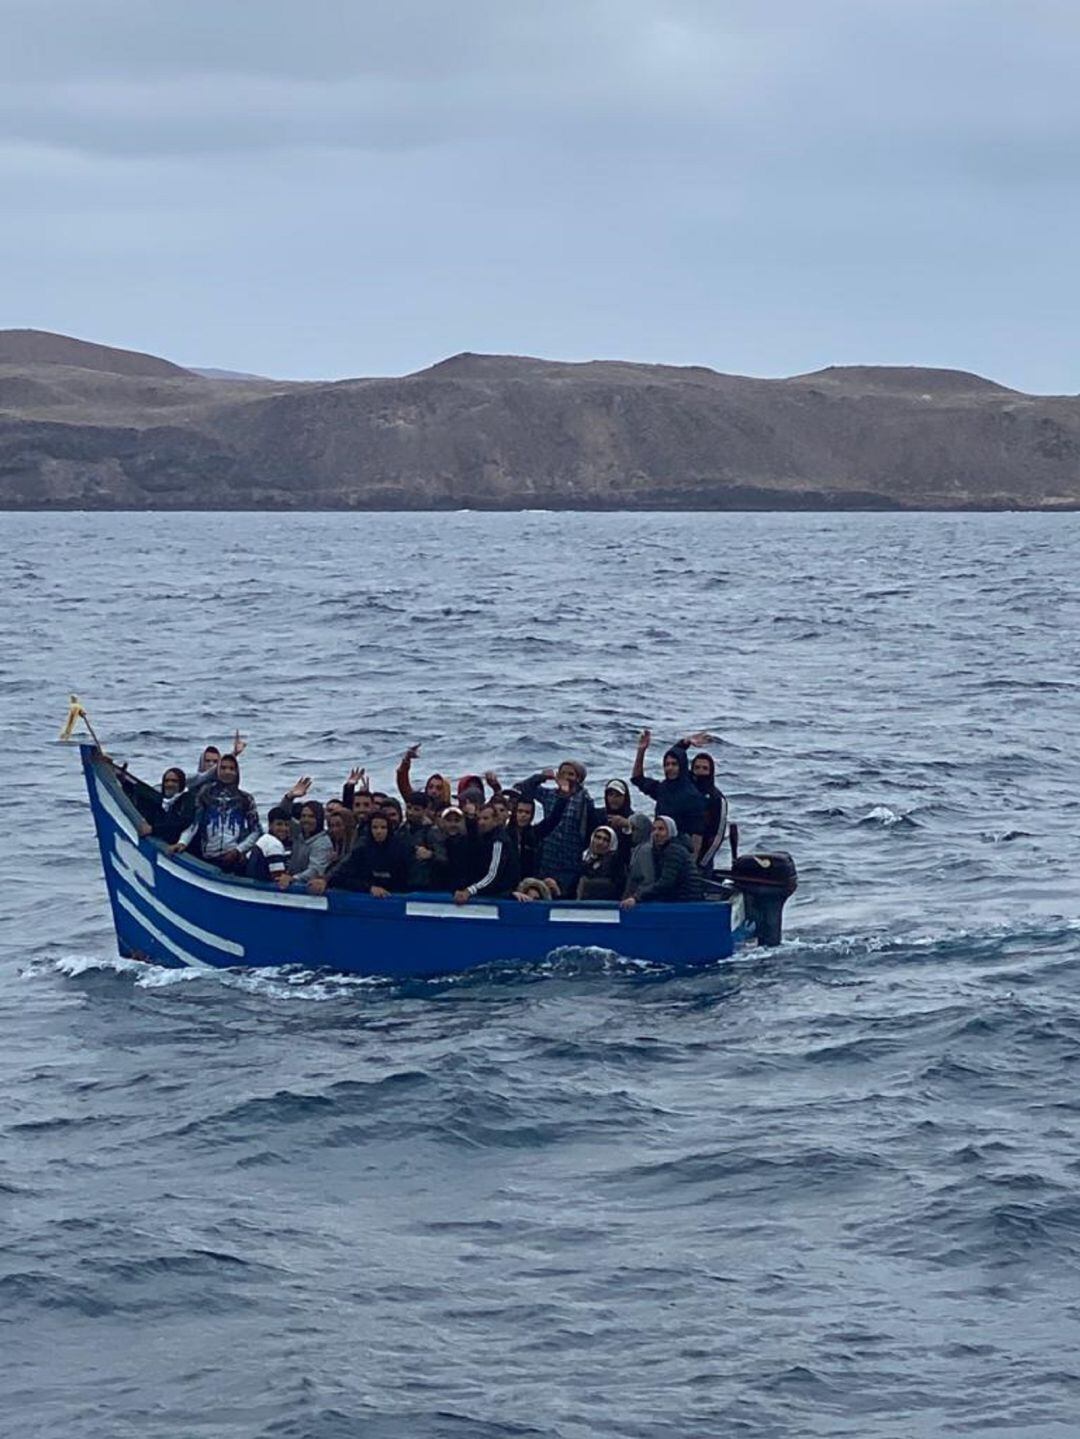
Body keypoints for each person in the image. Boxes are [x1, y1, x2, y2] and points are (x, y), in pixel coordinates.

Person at [516, 759, 597, 896]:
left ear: (579, 778)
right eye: (562, 773)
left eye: (571, 774)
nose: (566, 777)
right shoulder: (550, 795)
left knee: (564, 895)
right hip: (547, 857)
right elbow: (521, 788)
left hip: (571, 860)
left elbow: (591, 827)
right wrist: (542, 778)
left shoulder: (584, 799)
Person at [171, 753, 261, 873]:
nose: (227, 772)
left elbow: (256, 831)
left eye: (231, 769)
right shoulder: (205, 795)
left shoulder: (245, 798)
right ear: (217, 771)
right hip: (208, 857)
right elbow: (194, 824)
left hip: (235, 858)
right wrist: (182, 842)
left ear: (237, 772)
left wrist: (238, 850)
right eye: (223, 768)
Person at [630, 730, 705, 858]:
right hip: (658, 845)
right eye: (666, 765)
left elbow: (697, 835)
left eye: (674, 764)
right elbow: (637, 779)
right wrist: (641, 751)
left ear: (682, 766)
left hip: (680, 850)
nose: (669, 768)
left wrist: (692, 864)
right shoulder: (662, 788)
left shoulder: (693, 795)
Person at [621, 816, 704, 908]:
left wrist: (636, 897)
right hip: (677, 899)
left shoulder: (674, 851)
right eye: (654, 829)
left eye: (661, 829)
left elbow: (666, 883)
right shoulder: (661, 850)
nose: (656, 833)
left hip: (686, 901)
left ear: (670, 832)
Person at [325, 813, 408, 897]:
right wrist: (369, 888)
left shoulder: (399, 849)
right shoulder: (361, 849)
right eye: (375, 827)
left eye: (383, 827)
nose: (379, 831)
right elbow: (341, 876)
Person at [454, 802, 521, 904]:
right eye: (479, 819)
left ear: (496, 820)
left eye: (486, 818)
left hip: (500, 894)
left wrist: (470, 890)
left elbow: (493, 874)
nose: (481, 822)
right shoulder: (483, 838)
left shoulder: (499, 841)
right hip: (488, 891)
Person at [600, 779, 651, 867]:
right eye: (610, 794)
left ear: (625, 797)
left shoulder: (633, 818)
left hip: (626, 867)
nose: (613, 798)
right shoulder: (599, 816)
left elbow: (645, 836)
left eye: (618, 795)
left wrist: (627, 824)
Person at [247, 807, 294, 888]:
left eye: (286, 825)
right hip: (262, 888)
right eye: (279, 824)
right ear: (270, 825)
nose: (283, 828)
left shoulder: (264, 839)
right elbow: (279, 880)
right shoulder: (274, 845)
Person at [576, 825, 625, 900]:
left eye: (606, 840)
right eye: (598, 837)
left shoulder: (615, 862)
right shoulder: (583, 857)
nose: (600, 842)